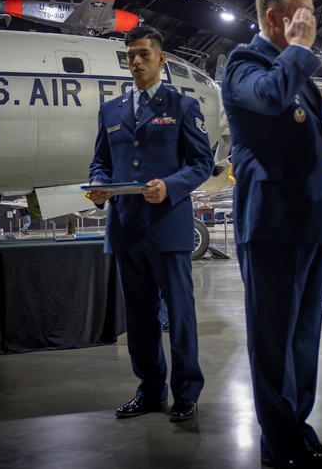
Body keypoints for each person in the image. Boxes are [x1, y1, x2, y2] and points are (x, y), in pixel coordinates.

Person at [221, 0, 322, 469]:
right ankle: (280, 450)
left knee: (303, 339)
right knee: (273, 344)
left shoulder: (299, 71)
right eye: (301, 12)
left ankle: (297, 431)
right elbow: (270, 98)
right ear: (274, 17)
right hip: (271, 223)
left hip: (309, 222)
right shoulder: (244, 65)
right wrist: (298, 48)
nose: (309, 21)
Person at [87, 25, 214, 424]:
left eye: (144, 54)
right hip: (126, 228)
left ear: (161, 59)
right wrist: (100, 185)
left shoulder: (182, 106)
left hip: (168, 227)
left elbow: (201, 164)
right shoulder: (110, 111)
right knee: (140, 316)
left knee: (180, 313)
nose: (137, 61)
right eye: (131, 56)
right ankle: (150, 389)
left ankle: (186, 392)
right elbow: (101, 162)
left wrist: (171, 186)